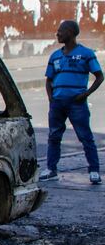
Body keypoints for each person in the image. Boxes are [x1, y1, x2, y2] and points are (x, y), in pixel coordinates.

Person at [40, 20, 104, 184]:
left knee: (85, 137)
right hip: (57, 104)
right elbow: (49, 80)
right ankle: (51, 169)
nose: (57, 34)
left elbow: (99, 76)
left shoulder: (86, 54)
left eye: (61, 31)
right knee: (54, 136)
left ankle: (94, 170)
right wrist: (51, 99)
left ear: (70, 32)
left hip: (77, 103)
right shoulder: (55, 56)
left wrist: (85, 94)